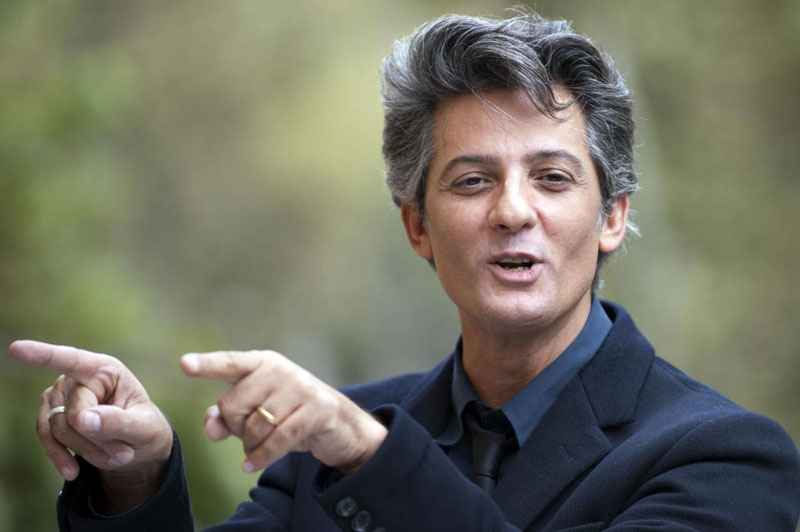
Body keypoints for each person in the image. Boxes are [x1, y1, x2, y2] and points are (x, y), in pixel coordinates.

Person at [9, 11, 800, 532]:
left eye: (553, 178)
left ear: (612, 218)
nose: (512, 211)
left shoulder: (724, 457)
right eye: (472, 180)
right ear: (417, 225)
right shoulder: (328, 442)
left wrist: (371, 457)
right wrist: (135, 475)